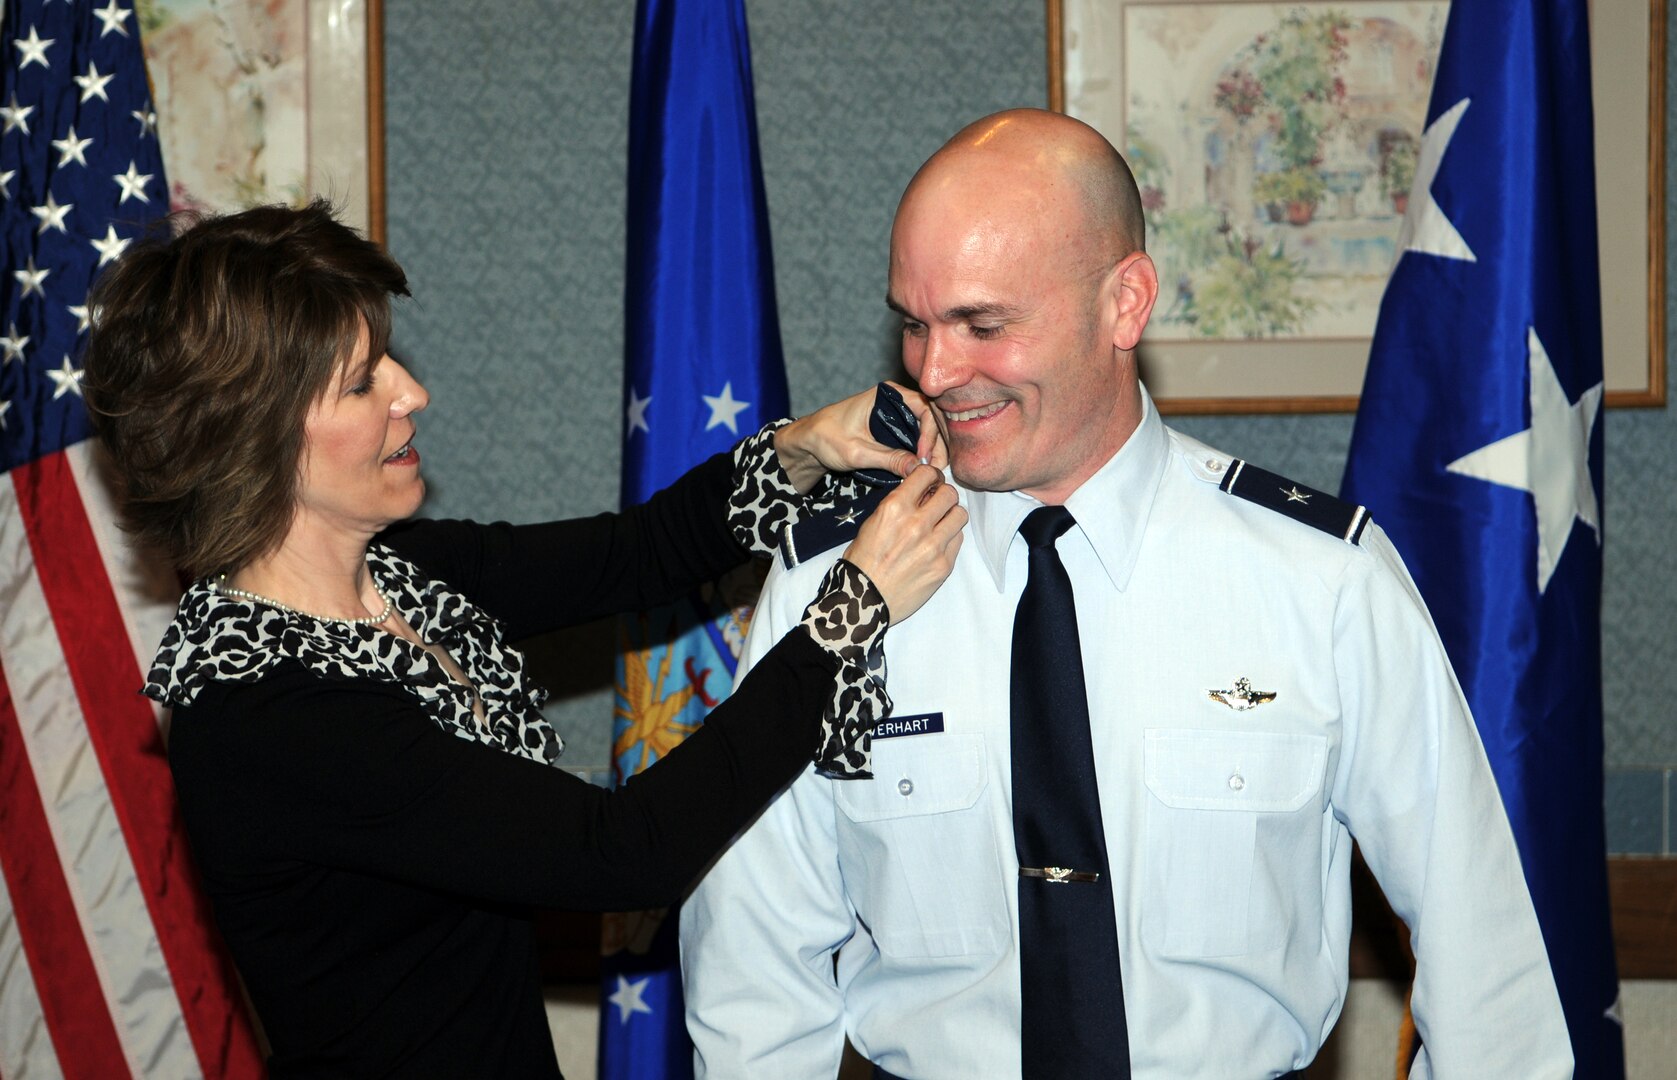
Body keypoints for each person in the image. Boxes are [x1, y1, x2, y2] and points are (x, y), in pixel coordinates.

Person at [679, 109, 1572, 1078]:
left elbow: (1486, 966)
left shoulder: (1319, 585)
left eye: (984, 324)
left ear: (1125, 304)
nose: (935, 372)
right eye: (914, 323)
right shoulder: (831, 592)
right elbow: (752, 981)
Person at [80, 200, 966, 1078]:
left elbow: (636, 554)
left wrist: (803, 448)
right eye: (363, 382)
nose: (410, 391)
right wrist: (849, 613)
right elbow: (627, 853)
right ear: (258, 440)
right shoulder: (269, 716)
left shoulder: (403, 575)